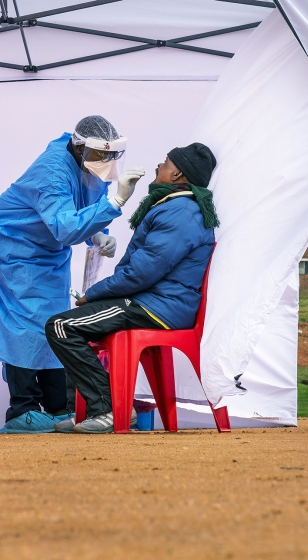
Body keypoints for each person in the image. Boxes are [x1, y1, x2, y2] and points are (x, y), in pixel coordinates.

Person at [0, 116, 146, 433]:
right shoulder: (52, 171)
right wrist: (116, 202)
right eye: (100, 156)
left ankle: (58, 408)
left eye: (111, 156)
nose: (106, 164)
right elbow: (66, 225)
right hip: (15, 245)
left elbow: (83, 206)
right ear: (79, 146)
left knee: (54, 321)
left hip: (50, 249)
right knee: (23, 323)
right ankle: (22, 410)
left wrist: (97, 234)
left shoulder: (87, 162)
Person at [45, 143, 219, 433]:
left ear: (177, 174)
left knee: (62, 326)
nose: (158, 167)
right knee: (73, 326)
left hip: (155, 306)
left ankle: (107, 409)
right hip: (153, 302)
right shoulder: (177, 207)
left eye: (164, 163)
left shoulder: (181, 212)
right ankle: (97, 408)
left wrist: (94, 294)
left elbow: (143, 272)